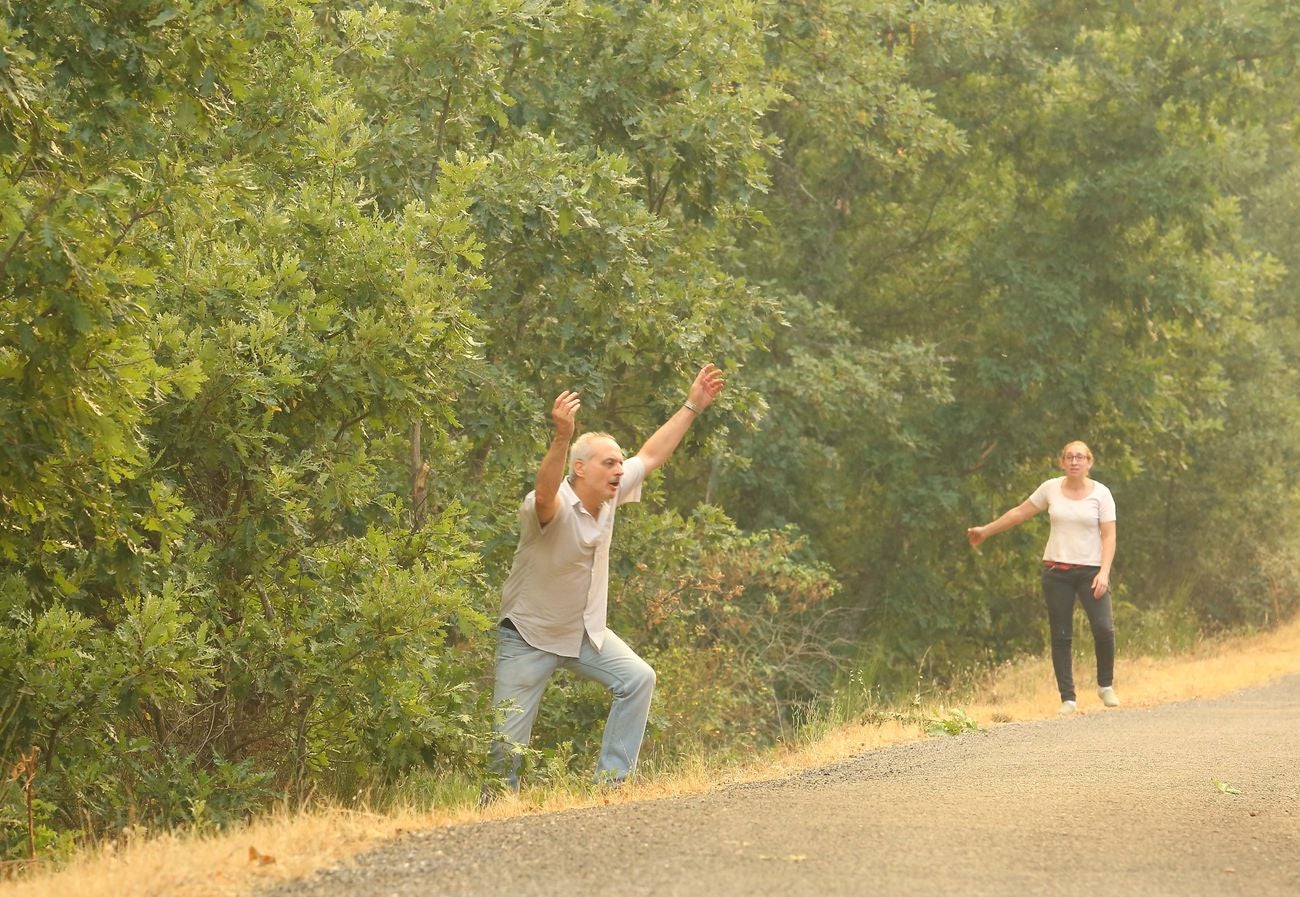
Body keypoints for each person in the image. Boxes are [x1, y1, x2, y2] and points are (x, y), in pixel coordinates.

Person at [485, 363, 725, 794]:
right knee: (506, 746)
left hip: (583, 633)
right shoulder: (550, 503)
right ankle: (494, 811)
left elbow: (651, 455)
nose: (619, 469)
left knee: (638, 679)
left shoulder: (610, 494)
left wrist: (693, 404)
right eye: (608, 462)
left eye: (619, 462)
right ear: (580, 468)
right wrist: (561, 436)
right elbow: (543, 493)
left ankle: (612, 786)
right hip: (527, 634)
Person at [966, 440, 1119, 714]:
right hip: (1056, 572)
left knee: (1104, 629)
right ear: (1062, 462)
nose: (1074, 462)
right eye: (1069, 457)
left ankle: (1105, 685)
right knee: (1061, 635)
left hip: (1091, 571)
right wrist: (985, 531)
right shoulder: (1051, 488)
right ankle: (1068, 698)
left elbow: (1109, 535)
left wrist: (1104, 573)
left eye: (1080, 457)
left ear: (1089, 463)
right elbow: (1019, 513)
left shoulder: (1102, 494)